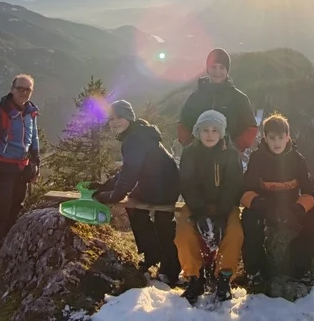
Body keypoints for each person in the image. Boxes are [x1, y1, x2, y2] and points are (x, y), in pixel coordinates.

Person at [239, 113, 314, 295]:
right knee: (250, 220)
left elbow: (310, 192)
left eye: (281, 137)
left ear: (288, 137)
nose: (277, 142)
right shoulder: (257, 159)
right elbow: (244, 192)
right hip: (264, 208)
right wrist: (262, 205)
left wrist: (298, 209)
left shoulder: (297, 159)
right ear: (265, 138)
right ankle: (255, 272)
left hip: (291, 208)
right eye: (272, 138)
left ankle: (297, 267)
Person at [93, 100, 181, 286]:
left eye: (119, 117)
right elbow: (127, 171)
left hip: (162, 187)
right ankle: (155, 255)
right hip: (161, 183)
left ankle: (168, 266)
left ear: (129, 118)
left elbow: (130, 173)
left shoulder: (135, 139)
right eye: (111, 119)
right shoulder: (137, 133)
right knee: (136, 207)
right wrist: (105, 187)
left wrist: (113, 196)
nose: (114, 122)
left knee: (162, 221)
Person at [175, 110, 244, 304]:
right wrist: (199, 212)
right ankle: (194, 277)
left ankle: (224, 277)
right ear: (198, 131)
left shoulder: (231, 154)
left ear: (222, 133)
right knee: (183, 233)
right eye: (205, 130)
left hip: (225, 205)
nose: (210, 134)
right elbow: (187, 183)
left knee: (235, 233)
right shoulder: (190, 152)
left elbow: (233, 185)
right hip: (196, 205)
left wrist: (221, 214)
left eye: (215, 130)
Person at [0, 74, 41, 261]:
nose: (24, 93)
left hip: (22, 170)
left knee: (16, 208)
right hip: (3, 171)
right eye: (20, 89)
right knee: (0, 213)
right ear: (12, 89)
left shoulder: (31, 113)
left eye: (28, 89)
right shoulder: (0, 114)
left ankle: (8, 251)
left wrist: (35, 165)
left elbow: (34, 140)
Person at [177, 48, 258, 153]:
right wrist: (190, 147)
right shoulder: (196, 97)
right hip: (199, 158)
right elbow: (183, 125)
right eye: (213, 67)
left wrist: (235, 148)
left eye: (222, 68)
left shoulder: (238, 98)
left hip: (228, 161)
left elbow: (251, 128)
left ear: (227, 71)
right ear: (208, 69)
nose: (217, 72)